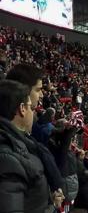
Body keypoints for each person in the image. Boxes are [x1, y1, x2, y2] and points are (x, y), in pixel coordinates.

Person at [0, 80, 67, 213]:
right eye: (30, 107)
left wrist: (46, 200)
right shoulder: (8, 158)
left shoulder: (18, 147)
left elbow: (24, 207)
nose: (33, 113)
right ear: (22, 109)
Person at [6, 64, 65, 197]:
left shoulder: (24, 137)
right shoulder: (9, 149)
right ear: (25, 92)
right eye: (38, 90)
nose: (42, 94)